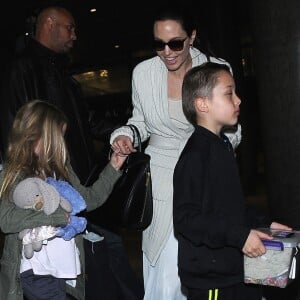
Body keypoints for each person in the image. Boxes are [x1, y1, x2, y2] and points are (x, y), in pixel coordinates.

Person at [0, 5, 144, 300]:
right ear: (50, 23)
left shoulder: (61, 72)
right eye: (70, 27)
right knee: (109, 255)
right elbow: (13, 127)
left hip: (72, 183)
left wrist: (120, 141)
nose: (75, 35)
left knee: (106, 258)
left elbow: (86, 120)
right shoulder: (22, 70)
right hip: (41, 215)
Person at [110, 5, 241, 300]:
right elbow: (140, 121)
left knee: (207, 265)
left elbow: (233, 128)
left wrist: (217, 156)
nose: (167, 51)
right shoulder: (143, 73)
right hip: (161, 182)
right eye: (159, 43)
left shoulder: (216, 69)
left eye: (175, 43)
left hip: (203, 179)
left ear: (192, 36)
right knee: (167, 276)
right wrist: (123, 136)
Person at [173, 62, 292, 300]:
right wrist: (240, 236)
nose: (238, 100)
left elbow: (230, 208)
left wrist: (265, 225)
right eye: (229, 93)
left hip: (233, 271)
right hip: (212, 280)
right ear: (202, 104)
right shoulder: (195, 156)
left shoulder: (221, 146)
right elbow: (186, 220)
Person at [0, 100, 128, 300]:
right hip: (36, 272)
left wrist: (114, 167)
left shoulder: (61, 168)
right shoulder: (14, 172)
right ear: (44, 135)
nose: (62, 141)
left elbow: (87, 200)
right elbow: (7, 220)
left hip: (61, 271)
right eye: (59, 135)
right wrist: (57, 217)